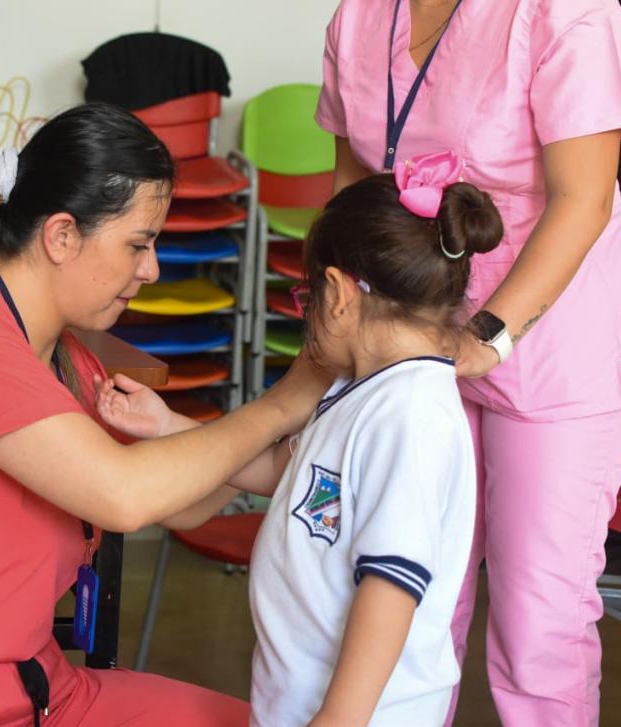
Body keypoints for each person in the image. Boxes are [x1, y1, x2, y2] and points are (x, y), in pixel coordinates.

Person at [0, 102, 328, 726]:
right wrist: (285, 400)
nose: (149, 270)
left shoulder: (67, 361)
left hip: (35, 686)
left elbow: (185, 501)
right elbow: (125, 495)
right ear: (62, 235)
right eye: (138, 245)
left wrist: (193, 434)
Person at [315, 1, 621, 724]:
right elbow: (354, 191)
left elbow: (585, 197)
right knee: (401, 604)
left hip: (558, 344)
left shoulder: (564, 11)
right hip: (413, 337)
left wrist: (487, 335)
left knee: (538, 625)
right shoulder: (361, 15)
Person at [98, 153, 503, 726]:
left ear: (337, 294)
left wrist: (337, 720)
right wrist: (168, 425)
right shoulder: (361, 391)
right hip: (299, 705)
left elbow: (391, 587)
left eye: (306, 302)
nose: (308, 316)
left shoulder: (412, 416)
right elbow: (289, 476)